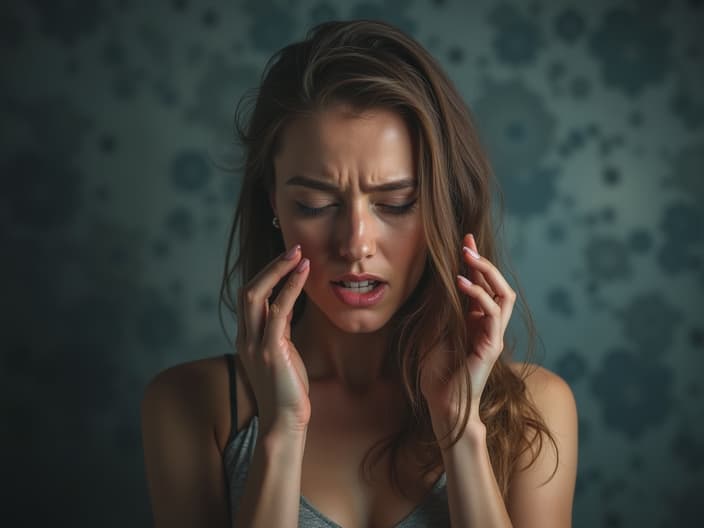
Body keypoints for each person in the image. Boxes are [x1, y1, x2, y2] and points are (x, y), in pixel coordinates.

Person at [140, 19, 578, 528]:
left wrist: (461, 431)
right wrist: (281, 431)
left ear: (445, 207)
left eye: (396, 203)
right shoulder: (194, 406)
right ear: (274, 204)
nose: (356, 245)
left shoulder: (534, 410)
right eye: (316, 203)